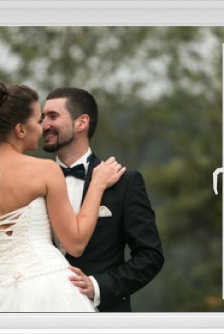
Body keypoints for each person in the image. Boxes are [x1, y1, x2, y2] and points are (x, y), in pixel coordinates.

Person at [0, 80, 125, 312]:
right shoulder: (44, 170)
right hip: (51, 288)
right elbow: (76, 243)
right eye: (37, 120)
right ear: (20, 130)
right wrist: (97, 185)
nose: (42, 127)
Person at [40, 87, 164, 312]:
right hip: (41, 310)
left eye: (53, 116)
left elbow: (150, 257)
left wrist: (97, 286)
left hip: (104, 314)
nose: (43, 125)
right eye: (42, 117)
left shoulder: (125, 182)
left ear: (81, 123)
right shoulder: (32, 182)